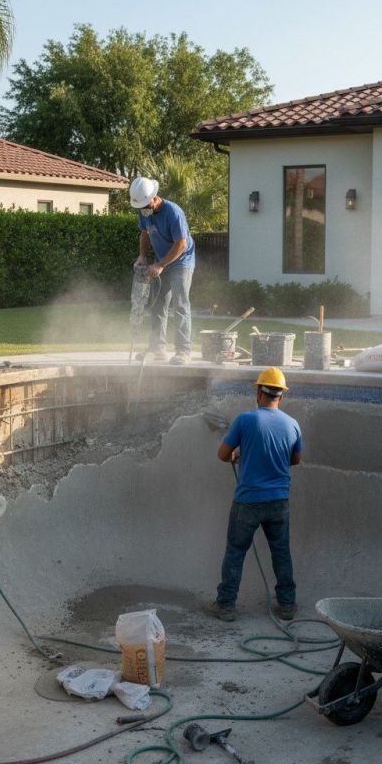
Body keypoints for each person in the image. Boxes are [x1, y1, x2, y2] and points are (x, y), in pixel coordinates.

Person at [204, 367, 303, 622]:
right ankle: (288, 604)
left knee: (236, 552)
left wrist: (240, 454)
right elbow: (295, 459)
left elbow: (223, 455)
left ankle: (225, 605)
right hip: (279, 502)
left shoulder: (245, 420)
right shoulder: (292, 424)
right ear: (281, 396)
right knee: (281, 552)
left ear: (259, 392)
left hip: (248, 501)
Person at [130, 176, 195, 365]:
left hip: (181, 262)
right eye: (140, 207)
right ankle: (157, 348)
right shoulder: (145, 211)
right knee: (158, 305)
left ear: (154, 197)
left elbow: (181, 244)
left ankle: (183, 351)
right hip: (161, 262)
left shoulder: (173, 212)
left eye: (145, 205)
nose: (143, 210)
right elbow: (144, 233)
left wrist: (160, 265)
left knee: (180, 304)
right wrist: (142, 256)